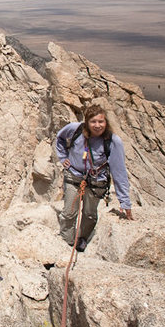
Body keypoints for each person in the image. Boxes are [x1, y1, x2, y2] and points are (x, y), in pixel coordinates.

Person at [56, 104, 134, 252]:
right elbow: (59, 138)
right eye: (93, 122)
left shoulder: (112, 141)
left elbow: (119, 172)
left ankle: (82, 239)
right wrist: (62, 157)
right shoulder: (75, 129)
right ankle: (67, 243)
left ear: (106, 122)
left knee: (89, 214)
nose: (97, 125)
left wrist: (125, 201)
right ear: (86, 122)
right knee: (68, 212)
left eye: (101, 121)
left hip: (97, 181)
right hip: (74, 175)